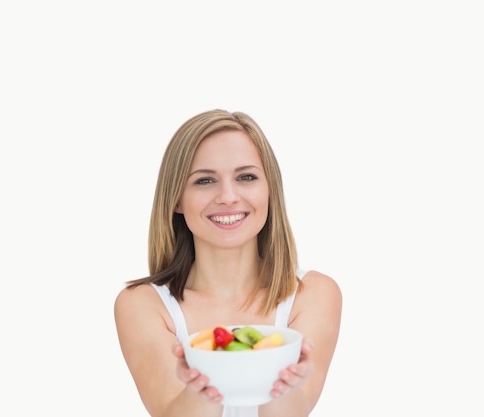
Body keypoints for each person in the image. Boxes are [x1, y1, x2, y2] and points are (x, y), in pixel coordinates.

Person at [114, 109, 342, 417]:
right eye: (205, 180)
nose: (228, 196)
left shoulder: (313, 294)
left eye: (246, 177)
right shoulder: (142, 305)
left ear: (269, 190)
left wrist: (286, 388)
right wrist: (200, 393)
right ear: (177, 199)